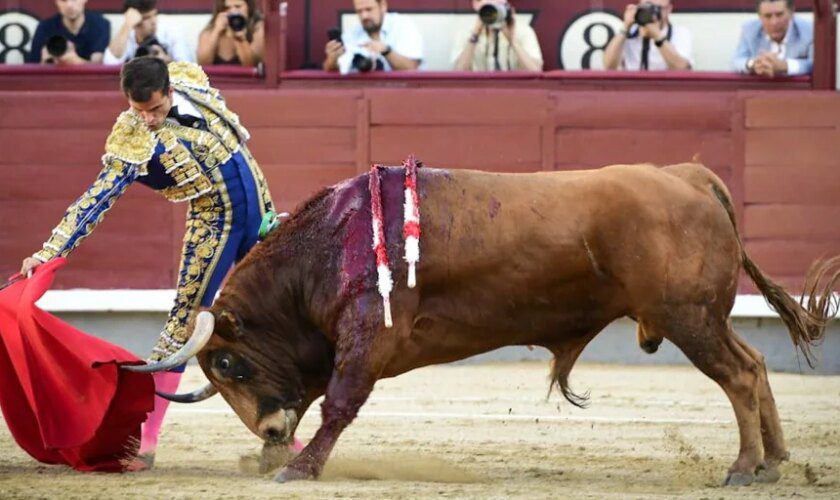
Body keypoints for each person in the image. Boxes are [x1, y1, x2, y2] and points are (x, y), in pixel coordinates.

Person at [19, 57, 277, 469]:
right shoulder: (132, 140)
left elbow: (239, 150)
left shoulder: (191, 80)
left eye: (154, 109)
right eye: (138, 111)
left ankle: (285, 436)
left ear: (170, 90)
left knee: (281, 318)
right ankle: (145, 443)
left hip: (259, 212)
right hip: (213, 226)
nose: (149, 120)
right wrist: (51, 252)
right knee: (181, 330)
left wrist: (266, 210)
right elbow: (95, 200)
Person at [323, 0, 423, 74]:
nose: (364, 16)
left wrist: (386, 51)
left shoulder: (403, 26)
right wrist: (331, 61)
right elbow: (336, 70)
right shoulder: (352, 34)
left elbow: (412, 68)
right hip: (364, 93)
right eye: (359, 11)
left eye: (369, 9)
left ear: (383, 6)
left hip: (403, 93)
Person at [451, 0, 543, 72]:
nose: (493, 13)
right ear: (476, 4)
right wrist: (475, 35)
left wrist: (513, 40)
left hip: (515, 91)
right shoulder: (466, 32)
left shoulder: (522, 30)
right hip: (478, 91)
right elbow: (458, 72)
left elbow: (536, 72)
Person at [602, 0, 692, 71]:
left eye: (657, 8)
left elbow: (682, 69)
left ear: (668, 9)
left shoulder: (679, 33)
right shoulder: (629, 33)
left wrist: (658, 37)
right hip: (632, 88)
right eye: (646, 7)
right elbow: (609, 67)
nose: (651, 13)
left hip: (665, 88)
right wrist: (625, 28)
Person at [732, 0, 813, 77]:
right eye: (767, 16)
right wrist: (754, 64)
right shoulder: (749, 29)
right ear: (759, 16)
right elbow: (736, 61)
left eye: (779, 15)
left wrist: (784, 66)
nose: (774, 22)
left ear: (791, 12)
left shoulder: (809, 31)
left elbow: (814, 64)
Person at [104, 0, 193, 65]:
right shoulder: (128, 33)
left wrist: (167, 61)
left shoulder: (172, 30)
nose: (154, 21)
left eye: (155, 15)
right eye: (147, 18)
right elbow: (109, 62)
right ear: (135, 21)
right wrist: (127, 24)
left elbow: (188, 68)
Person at [26, 0, 110, 64]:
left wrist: (74, 61)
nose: (69, 5)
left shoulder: (100, 25)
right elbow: (32, 70)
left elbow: (98, 68)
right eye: (63, 0)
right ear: (56, 1)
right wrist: (45, 63)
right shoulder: (45, 28)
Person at [197, 0, 264, 67]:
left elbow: (251, 65)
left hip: (243, 77)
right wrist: (216, 32)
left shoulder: (258, 29)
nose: (233, 11)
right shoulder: (210, 31)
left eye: (238, 7)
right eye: (227, 8)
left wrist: (239, 38)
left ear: (249, 8)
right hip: (215, 77)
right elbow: (203, 64)